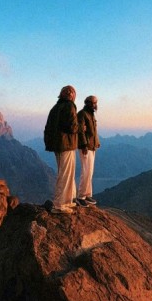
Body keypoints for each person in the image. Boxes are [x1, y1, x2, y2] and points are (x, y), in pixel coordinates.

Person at [44, 85, 79, 214]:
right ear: (72, 95)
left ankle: (67, 201)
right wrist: (81, 127)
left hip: (57, 145)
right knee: (65, 174)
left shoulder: (55, 107)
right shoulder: (70, 106)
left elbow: (49, 128)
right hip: (66, 145)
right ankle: (59, 205)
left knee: (64, 172)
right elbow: (72, 127)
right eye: (73, 94)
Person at [75, 95, 100, 206]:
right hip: (85, 147)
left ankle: (87, 194)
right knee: (86, 171)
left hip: (92, 146)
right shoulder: (82, 114)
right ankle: (81, 196)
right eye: (94, 103)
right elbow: (81, 131)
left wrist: (96, 143)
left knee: (90, 171)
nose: (96, 105)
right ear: (88, 103)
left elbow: (92, 132)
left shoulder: (91, 115)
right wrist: (84, 144)